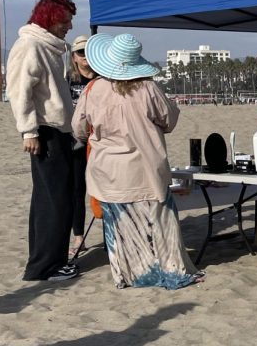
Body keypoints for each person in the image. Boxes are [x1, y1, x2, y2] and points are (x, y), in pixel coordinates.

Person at [72, 33, 200, 290]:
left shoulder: (93, 89)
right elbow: (169, 121)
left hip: (109, 170)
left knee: (121, 228)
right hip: (146, 168)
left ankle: (130, 275)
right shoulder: (149, 88)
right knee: (160, 223)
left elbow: (78, 128)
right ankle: (170, 269)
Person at [7, 0, 79, 282]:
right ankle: (45, 266)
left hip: (58, 131)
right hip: (44, 132)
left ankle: (50, 261)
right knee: (54, 201)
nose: (69, 26)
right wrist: (29, 131)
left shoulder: (50, 48)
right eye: (66, 20)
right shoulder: (30, 45)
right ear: (50, 17)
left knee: (55, 198)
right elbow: (18, 91)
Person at [66, 35, 97, 258]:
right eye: (80, 53)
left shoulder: (101, 79)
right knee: (77, 190)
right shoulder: (67, 80)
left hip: (98, 142)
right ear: (74, 57)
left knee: (103, 189)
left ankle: (111, 233)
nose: (84, 57)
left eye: (88, 52)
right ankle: (79, 237)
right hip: (75, 143)